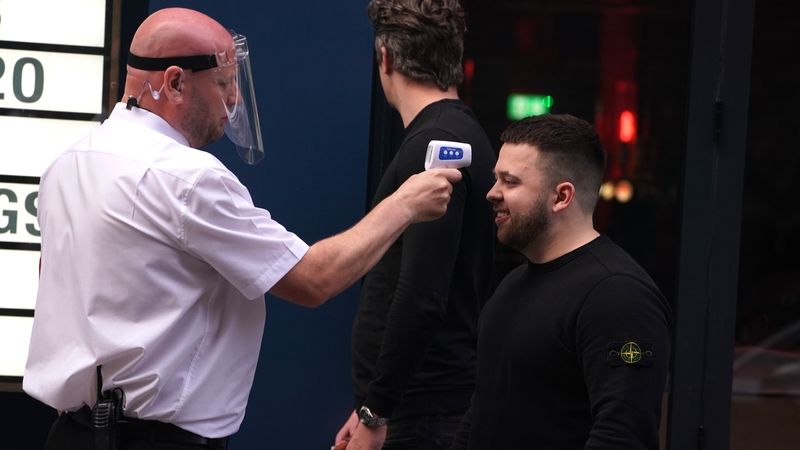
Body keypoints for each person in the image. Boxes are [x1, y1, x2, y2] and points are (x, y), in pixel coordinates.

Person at [22, 7, 462, 450]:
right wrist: (405, 204)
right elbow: (314, 279)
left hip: (72, 433)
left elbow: (52, 277)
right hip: (157, 440)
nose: (233, 100)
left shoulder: (68, 162)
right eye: (223, 83)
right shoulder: (187, 177)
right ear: (175, 82)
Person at [450, 114, 671, 449]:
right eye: (496, 180)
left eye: (510, 182)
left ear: (561, 196)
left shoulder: (617, 295)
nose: (491, 193)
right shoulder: (513, 284)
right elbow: (482, 411)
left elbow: (622, 436)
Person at [334, 1, 496, 449]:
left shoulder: (437, 140)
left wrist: (376, 412)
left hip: (420, 415)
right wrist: (370, 406)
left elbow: (423, 295)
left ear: (384, 58)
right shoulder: (451, 131)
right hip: (415, 407)